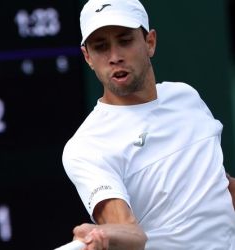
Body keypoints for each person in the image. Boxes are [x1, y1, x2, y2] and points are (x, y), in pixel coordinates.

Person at [61, 0, 235, 249]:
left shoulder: (186, 97)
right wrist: (105, 234)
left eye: (125, 41)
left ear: (149, 42)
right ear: (87, 57)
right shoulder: (86, 148)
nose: (115, 57)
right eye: (101, 47)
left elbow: (220, 188)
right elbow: (132, 233)